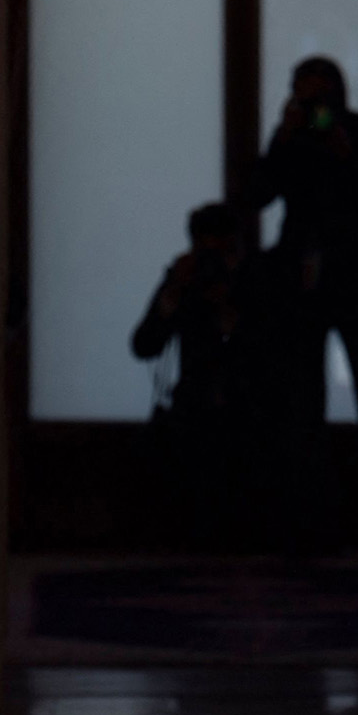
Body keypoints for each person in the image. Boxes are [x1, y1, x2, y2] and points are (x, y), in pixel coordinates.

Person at [246, 56, 358, 548]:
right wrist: (281, 137)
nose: (315, 108)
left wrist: (346, 153)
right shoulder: (292, 139)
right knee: (300, 409)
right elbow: (255, 194)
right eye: (305, 98)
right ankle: (307, 530)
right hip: (300, 289)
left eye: (321, 98)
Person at [131, 202, 270, 548]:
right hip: (193, 406)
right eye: (205, 251)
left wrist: (231, 312)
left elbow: (275, 352)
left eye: (223, 251)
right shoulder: (186, 279)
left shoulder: (258, 280)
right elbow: (144, 345)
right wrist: (172, 294)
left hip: (250, 408)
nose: (213, 262)